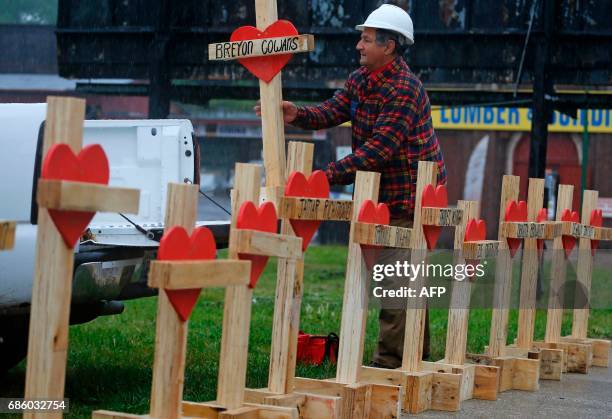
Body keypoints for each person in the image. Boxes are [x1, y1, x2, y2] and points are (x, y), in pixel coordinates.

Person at [254, 3, 446, 368]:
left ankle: (391, 366)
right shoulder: (360, 80)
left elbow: (379, 150)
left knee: (396, 284)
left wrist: (325, 175)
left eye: (367, 39)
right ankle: (412, 359)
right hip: (378, 198)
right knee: (401, 282)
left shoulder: (405, 89)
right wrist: (298, 114)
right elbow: (333, 109)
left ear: (389, 47)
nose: (359, 44)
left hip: (408, 199)